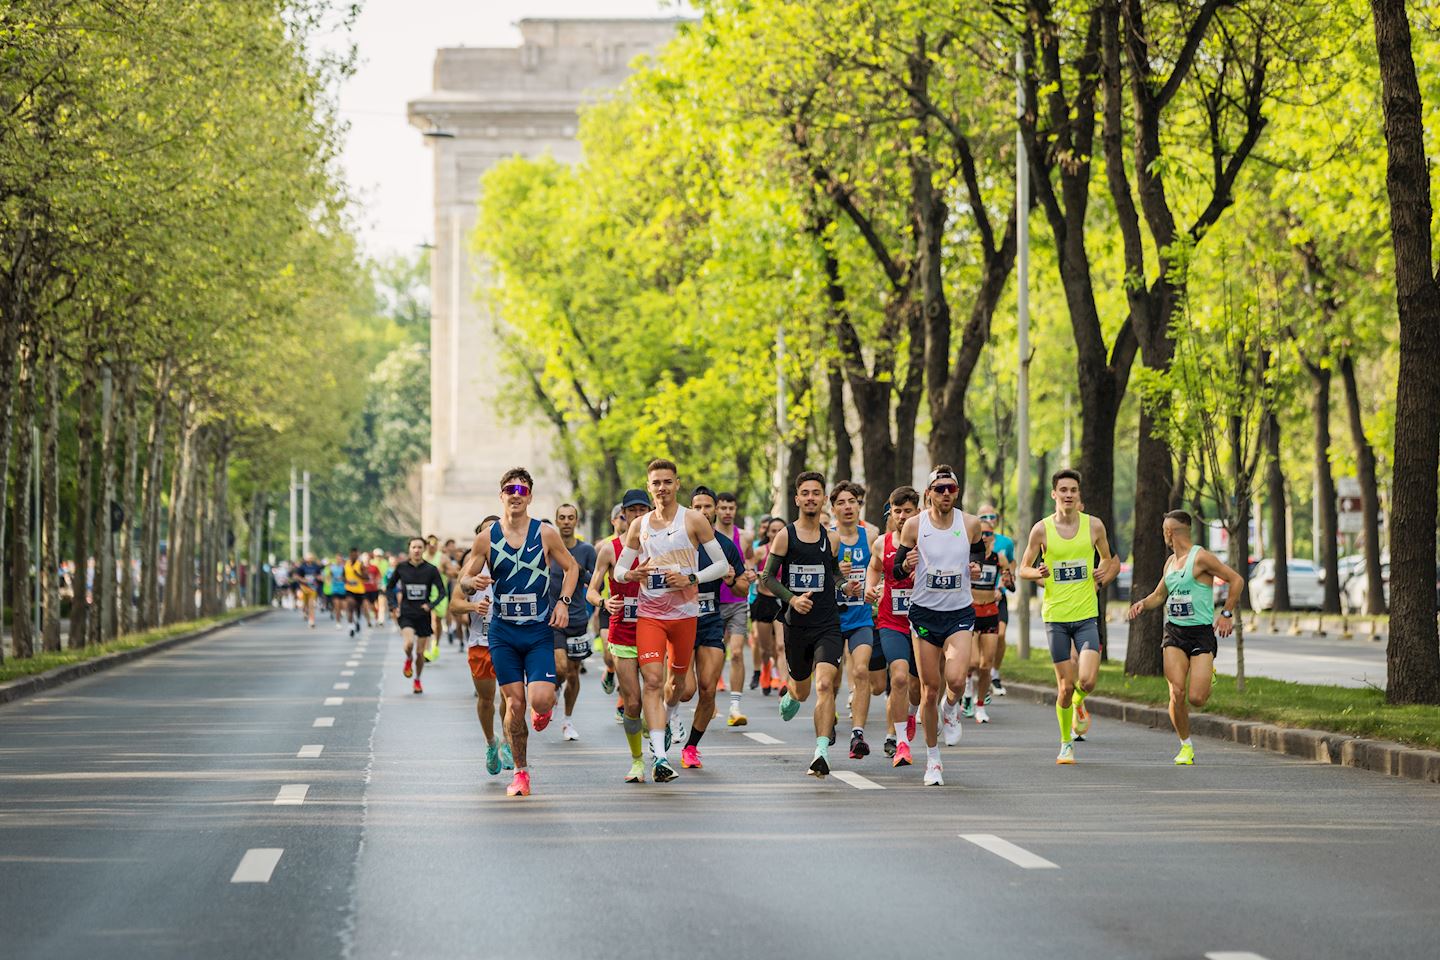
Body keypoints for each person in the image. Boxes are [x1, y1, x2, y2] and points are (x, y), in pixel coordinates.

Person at [456, 468, 579, 798]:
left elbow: (572, 568)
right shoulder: (487, 538)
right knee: (514, 703)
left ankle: (546, 708)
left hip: (538, 630)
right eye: (510, 489)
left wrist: (564, 602)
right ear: (501, 496)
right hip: (503, 633)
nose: (515, 494)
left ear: (529, 497)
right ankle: (521, 774)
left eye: (521, 489)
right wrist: (473, 583)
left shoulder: (545, 533)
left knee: (540, 699)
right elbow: (464, 581)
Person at [611, 458, 731, 783]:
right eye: (656, 483)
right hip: (651, 616)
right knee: (651, 681)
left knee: (679, 686)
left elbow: (721, 566)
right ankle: (660, 758)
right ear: (649, 487)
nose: (662, 488)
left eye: (667, 482)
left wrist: (691, 577)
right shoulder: (640, 525)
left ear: (677, 484)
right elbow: (619, 570)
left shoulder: (693, 520)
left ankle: (673, 712)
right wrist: (632, 573)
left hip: (684, 616)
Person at [759, 471, 861, 778]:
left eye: (816, 493)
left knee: (825, 684)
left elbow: (834, 574)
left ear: (823, 498)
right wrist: (791, 599)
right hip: (797, 625)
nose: (811, 498)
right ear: (797, 499)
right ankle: (792, 694)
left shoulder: (831, 538)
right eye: (805, 493)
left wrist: (845, 587)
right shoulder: (784, 536)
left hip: (828, 623)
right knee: (803, 691)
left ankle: (821, 751)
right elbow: (766, 578)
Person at [1017, 468, 1120, 764]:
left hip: (1087, 614)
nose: (1069, 495)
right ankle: (1065, 743)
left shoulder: (1094, 526)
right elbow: (1023, 567)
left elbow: (1109, 560)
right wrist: (1036, 572)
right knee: (1064, 686)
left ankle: (1079, 704)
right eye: (1063, 490)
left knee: (1086, 681)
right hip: (1056, 617)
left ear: (1078, 495)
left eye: (1073, 490)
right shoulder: (1041, 529)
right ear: (1054, 494)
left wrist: (1103, 575)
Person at [1128, 510, 1244, 765]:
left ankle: (1207, 672)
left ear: (1169, 532)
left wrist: (1226, 614)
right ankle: (1185, 745)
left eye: (1164, 531)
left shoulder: (1201, 558)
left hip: (1201, 633)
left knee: (1196, 698)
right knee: (1177, 691)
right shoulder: (1170, 563)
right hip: (1175, 632)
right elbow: (1160, 596)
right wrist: (1141, 605)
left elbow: (1236, 580)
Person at [892, 466, 983, 785]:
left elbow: (979, 555)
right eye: (940, 489)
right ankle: (933, 761)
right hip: (925, 613)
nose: (946, 494)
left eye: (952, 489)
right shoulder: (915, 525)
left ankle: (953, 706)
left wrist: (976, 566)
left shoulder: (970, 523)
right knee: (929, 690)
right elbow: (898, 570)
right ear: (929, 492)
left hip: (958, 611)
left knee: (956, 679)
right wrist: (906, 564)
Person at [588, 489, 653, 782]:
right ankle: (638, 761)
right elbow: (591, 590)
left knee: (658, 693)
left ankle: (659, 741)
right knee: (634, 702)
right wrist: (603, 602)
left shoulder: (662, 546)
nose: (638, 515)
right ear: (623, 515)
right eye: (632, 510)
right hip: (623, 632)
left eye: (643, 509)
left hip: (656, 629)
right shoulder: (608, 549)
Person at [678, 486, 744, 768]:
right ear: (690, 509)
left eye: (708, 507)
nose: (703, 512)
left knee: (707, 689)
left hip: (710, 620)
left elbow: (742, 587)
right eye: (698, 507)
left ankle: (691, 746)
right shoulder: (678, 540)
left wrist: (730, 579)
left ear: (716, 509)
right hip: (680, 620)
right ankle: (667, 719)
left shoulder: (725, 545)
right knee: (685, 691)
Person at [448, 522, 515, 778]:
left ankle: (508, 743)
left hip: (509, 640)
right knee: (487, 700)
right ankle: (491, 743)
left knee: (511, 698)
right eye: (487, 532)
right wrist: (473, 608)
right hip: (481, 642)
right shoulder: (470, 571)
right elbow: (455, 604)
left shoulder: (514, 562)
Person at [865, 486, 921, 764]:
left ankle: (910, 712)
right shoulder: (881, 543)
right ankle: (898, 741)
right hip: (891, 620)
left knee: (919, 686)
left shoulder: (928, 541)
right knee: (898, 677)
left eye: (907, 511)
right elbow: (874, 567)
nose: (901, 516)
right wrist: (870, 586)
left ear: (918, 513)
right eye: (897, 511)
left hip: (923, 622)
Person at [830, 481, 881, 760]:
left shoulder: (871, 534)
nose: (848, 507)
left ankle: (857, 734)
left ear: (858, 505)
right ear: (834, 508)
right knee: (833, 677)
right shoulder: (827, 538)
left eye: (852, 501)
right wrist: (836, 573)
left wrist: (875, 588)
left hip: (861, 616)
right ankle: (830, 712)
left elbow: (879, 569)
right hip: (833, 618)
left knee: (861, 671)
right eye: (841, 502)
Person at [549, 503, 596, 742]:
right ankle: (554, 691)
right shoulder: (547, 548)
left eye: (570, 518)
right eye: (562, 518)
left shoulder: (586, 550)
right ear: (556, 521)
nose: (566, 522)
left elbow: (596, 581)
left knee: (574, 673)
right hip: (553, 618)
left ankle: (567, 720)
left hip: (578, 617)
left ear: (575, 521)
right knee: (560, 668)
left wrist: (579, 571)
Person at [385, 537, 447, 694]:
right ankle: (408, 659)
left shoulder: (431, 569)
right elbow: (389, 588)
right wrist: (393, 606)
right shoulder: (401, 567)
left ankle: (417, 680)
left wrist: (431, 605)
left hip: (423, 615)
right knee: (408, 645)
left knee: (420, 653)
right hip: (406, 613)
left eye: (420, 547)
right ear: (409, 549)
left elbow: (442, 591)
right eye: (414, 547)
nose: (417, 550)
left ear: (424, 549)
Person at [963, 519, 1010, 724]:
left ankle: (980, 704)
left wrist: (1002, 588)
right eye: (981, 533)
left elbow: (1009, 579)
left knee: (985, 664)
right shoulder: (969, 555)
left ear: (994, 537)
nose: (985, 537)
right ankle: (966, 692)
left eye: (989, 534)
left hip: (990, 611)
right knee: (972, 662)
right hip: (971, 612)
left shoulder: (999, 558)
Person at [715, 492, 756, 726]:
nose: (727, 512)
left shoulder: (745, 537)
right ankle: (709, 698)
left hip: (739, 601)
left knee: (738, 652)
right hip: (713, 602)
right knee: (716, 654)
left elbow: (749, 560)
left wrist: (749, 571)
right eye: (723, 508)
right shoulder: (707, 535)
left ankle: (735, 706)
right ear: (716, 510)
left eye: (731, 507)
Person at [977, 503, 1015, 696]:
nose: (988, 522)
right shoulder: (971, 542)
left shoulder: (1006, 543)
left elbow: (1010, 568)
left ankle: (994, 674)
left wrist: (1001, 586)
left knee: (1000, 636)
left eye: (992, 517)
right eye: (984, 518)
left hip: (997, 600)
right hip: (975, 603)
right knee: (974, 656)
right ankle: (969, 689)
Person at [750, 517, 787, 695]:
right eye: (773, 530)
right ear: (768, 532)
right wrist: (753, 573)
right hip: (763, 602)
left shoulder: (789, 552)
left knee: (780, 646)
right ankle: (765, 668)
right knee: (765, 648)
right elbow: (747, 567)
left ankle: (782, 682)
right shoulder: (760, 552)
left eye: (781, 530)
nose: (776, 533)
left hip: (781, 602)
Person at [292, 554, 323, 628]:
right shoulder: (302, 567)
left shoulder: (316, 567)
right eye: (308, 558)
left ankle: (311, 621)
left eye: (311, 557)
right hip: (304, 588)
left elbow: (319, 575)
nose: (310, 559)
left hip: (313, 588)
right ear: (305, 559)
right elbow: (296, 576)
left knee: (311, 605)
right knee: (305, 604)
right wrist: (303, 580)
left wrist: (319, 578)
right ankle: (305, 612)